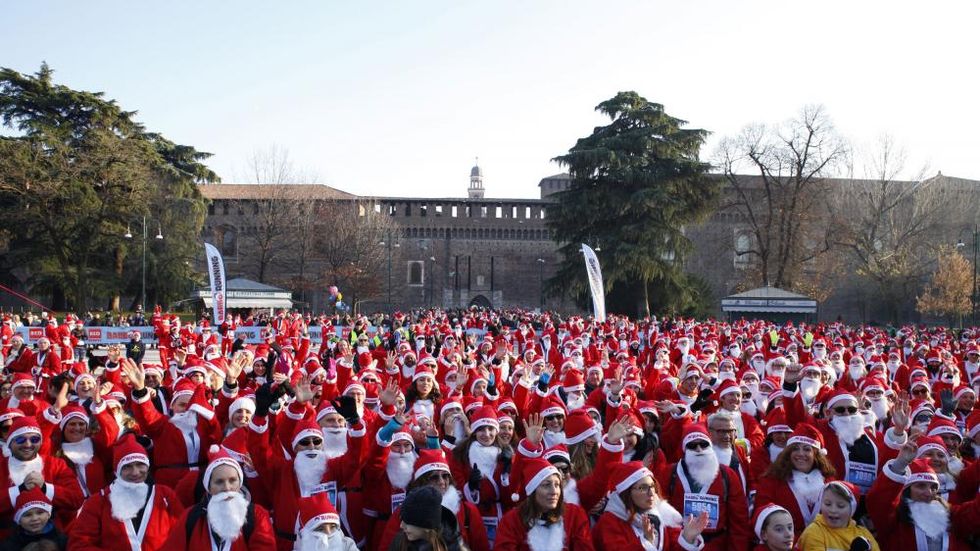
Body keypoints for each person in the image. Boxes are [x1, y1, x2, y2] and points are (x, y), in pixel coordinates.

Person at [68, 435, 185, 550]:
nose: (135, 472)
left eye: (140, 465)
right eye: (127, 467)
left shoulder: (165, 496)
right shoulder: (97, 502)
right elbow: (78, 545)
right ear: (117, 471)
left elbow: (182, 537)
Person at [160, 446, 276, 551]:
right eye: (219, 482)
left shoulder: (256, 516)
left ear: (239, 482)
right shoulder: (191, 517)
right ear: (208, 486)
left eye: (232, 480)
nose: (227, 488)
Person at [866, 441, 974, 550]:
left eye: (933, 488)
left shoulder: (950, 515)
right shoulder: (894, 519)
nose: (929, 492)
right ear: (907, 490)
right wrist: (900, 464)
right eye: (921, 486)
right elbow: (879, 500)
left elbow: (975, 513)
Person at [592, 461, 709, 551]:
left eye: (652, 486)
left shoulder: (663, 515)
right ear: (626, 493)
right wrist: (645, 544)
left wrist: (687, 538)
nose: (651, 493)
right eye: (643, 488)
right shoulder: (610, 522)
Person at [494, 457, 595, 551]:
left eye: (557, 485)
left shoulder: (574, 514)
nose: (554, 491)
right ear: (532, 491)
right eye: (546, 485)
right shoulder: (513, 520)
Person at [755, 424, 836, 538]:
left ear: (817, 455)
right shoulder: (771, 480)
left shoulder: (829, 481)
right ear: (788, 453)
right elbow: (763, 519)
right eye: (795, 449)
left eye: (807, 449)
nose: (800, 454)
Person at [797, 480, 879, 551]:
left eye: (840, 506)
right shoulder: (814, 532)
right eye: (828, 504)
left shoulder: (864, 533)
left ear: (852, 508)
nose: (833, 510)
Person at [388, 485, 468, 551]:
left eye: (408, 522)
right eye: (402, 519)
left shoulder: (454, 546)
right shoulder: (400, 542)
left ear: (427, 526)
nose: (401, 526)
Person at [0, 488, 67, 551]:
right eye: (27, 515)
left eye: (40, 513)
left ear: (48, 515)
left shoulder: (62, 541)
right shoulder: (9, 546)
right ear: (18, 520)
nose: (34, 518)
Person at [294, 494, 358, 551]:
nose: (329, 534)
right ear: (304, 534)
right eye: (320, 529)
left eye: (333, 527)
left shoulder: (347, 545)